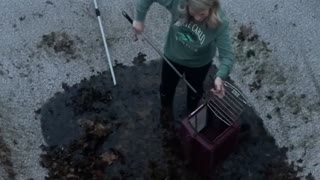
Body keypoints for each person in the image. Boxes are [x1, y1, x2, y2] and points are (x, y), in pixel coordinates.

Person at [133, 0, 234, 122]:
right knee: (166, 88)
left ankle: (191, 113)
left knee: (194, 92)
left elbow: (227, 56)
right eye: (193, 12)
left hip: (199, 64)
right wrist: (139, 19)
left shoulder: (220, 22)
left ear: (212, 6)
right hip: (172, 57)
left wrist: (220, 76)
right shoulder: (177, 3)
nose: (197, 18)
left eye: (202, 13)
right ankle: (166, 110)